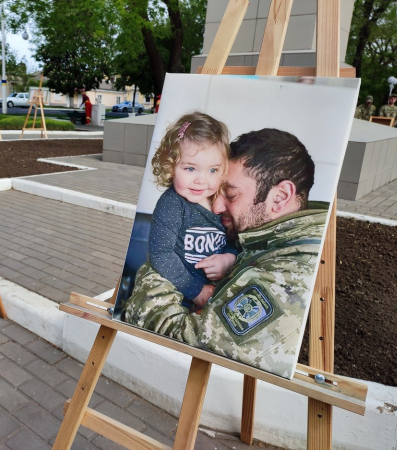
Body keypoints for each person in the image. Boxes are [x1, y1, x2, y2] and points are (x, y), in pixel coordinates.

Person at [124, 128, 326, 378]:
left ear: (280, 197)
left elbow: (180, 337)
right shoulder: (264, 237)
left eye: (230, 194)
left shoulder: (290, 274)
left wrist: (155, 270)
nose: (216, 206)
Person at [125, 112, 238, 313]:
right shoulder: (172, 204)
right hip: (176, 293)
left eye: (213, 170)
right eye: (190, 169)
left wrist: (229, 258)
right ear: (171, 166)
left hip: (213, 294)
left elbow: (234, 239)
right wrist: (198, 292)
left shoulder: (221, 200)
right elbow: (161, 255)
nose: (201, 180)